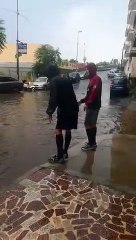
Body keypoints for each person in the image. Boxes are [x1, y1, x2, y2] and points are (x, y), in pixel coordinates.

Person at [46, 64, 79, 163]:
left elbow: (53, 98)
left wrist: (50, 111)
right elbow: (71, 94)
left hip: (64, 109)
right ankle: (65, 152)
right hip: (73, 107)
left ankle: (60, 156)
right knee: (68, 129)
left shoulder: (53, 81)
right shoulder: (66, 79)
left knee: (58, 130)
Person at [79, 63, 102, 151]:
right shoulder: (92, 79)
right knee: (91, 124)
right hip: (91, 105)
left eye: (87, 69)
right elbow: (89, 94)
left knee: (88, 124)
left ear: (92, 69)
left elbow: (94, 94)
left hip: (93, 106)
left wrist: (87, 104)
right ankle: (92, 142)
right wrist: (82, 101)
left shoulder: (96, 79)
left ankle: (92, 143)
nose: (86, 71)